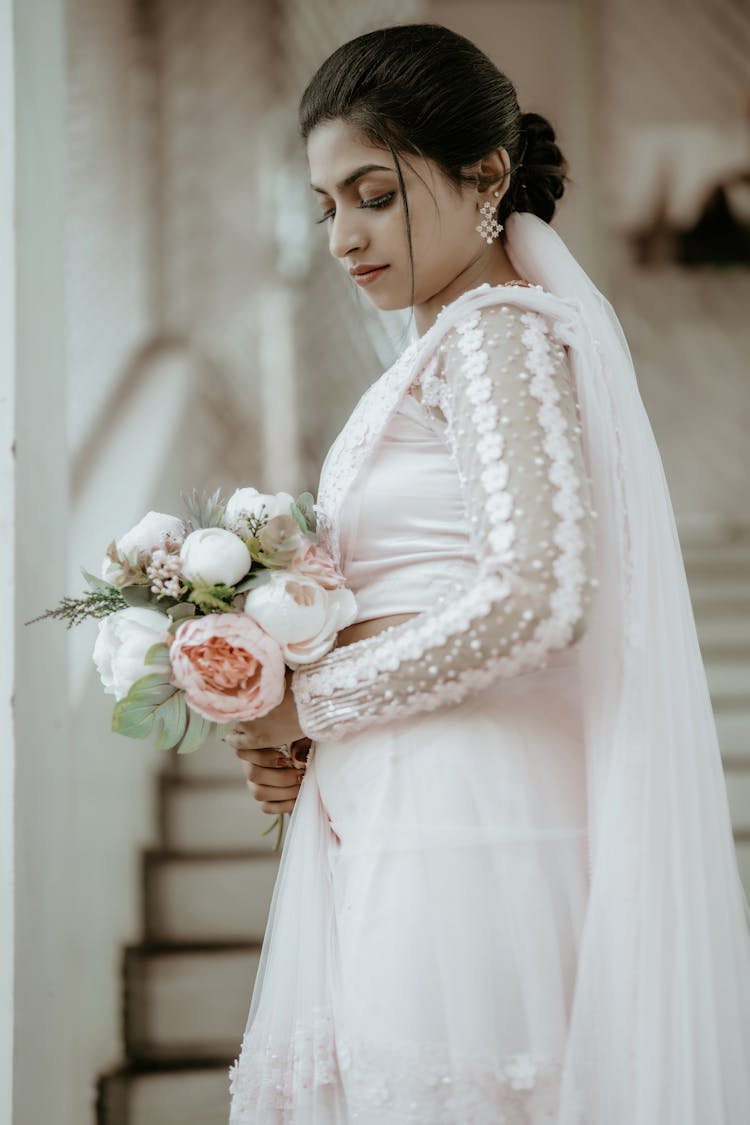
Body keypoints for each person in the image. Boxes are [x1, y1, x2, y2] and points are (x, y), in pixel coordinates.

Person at [225, 23, 750, 1125]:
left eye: (373, 193)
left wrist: (307, 702)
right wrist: (298, 724)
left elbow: (537, 597)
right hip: (412, 804)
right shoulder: (446, 345)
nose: (343, 238)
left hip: (468, 823)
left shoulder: (494, 336)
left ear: (486, 176)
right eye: (327, 207)